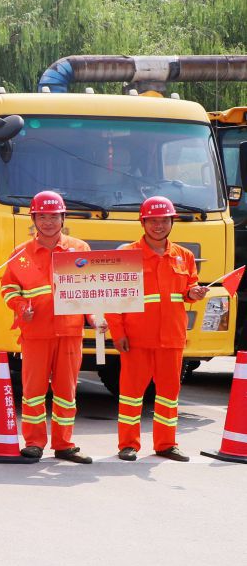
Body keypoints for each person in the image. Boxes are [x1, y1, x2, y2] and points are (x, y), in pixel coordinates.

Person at [0, 190, 97, 464]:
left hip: (70, 332)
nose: (48, 222)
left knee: (67, 392)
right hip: (36, 333)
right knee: (33, 391)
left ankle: (64, 444)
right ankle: (34, 443)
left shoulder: (79, 249)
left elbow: (91, 289)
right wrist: (21, 307)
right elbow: (8, 289)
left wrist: (94, 317)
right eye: (42, 216)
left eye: (54, 216)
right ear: (33, 219)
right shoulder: (21, 254)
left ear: (63, 217)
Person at [109, 196, 207, 461]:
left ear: (172, 222)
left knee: (168, 395)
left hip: (172, 337)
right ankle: (128, 444)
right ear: (143, 222)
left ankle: (166, 444)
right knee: (131, 394)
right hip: (137, 338)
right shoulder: (127, 255)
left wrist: (194, 293)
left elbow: (188, 289)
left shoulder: (184, 256)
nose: (159, 225)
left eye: (164, 220)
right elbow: (114, 299)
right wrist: (117, 333)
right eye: (153, 220)